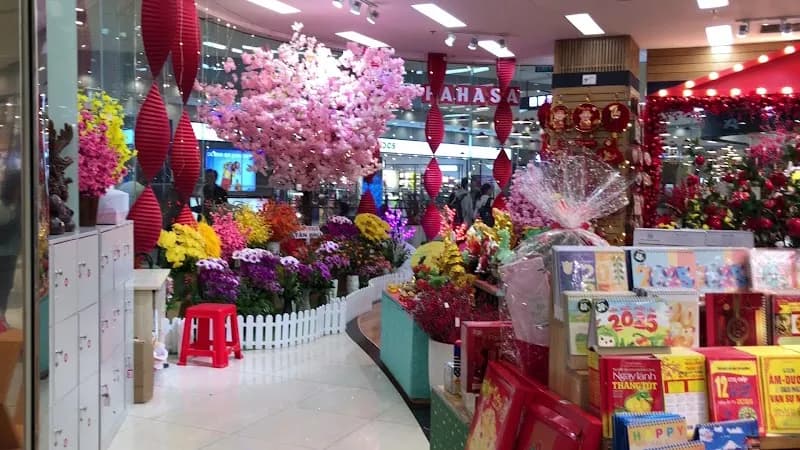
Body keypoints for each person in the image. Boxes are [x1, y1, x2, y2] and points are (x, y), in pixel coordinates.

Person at [0, 171, 20, 333]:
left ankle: (2, 318)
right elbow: (4, 226)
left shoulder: (19, 204)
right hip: (3, 253)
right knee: (3, 287)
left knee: (6, 287)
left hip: (11, 253)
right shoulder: (3, 205)